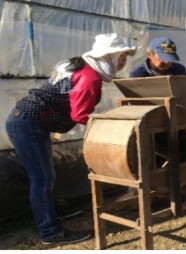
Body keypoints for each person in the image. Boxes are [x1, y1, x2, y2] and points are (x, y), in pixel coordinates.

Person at [5, 33, 136, 245]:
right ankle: (50, 232)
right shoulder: (90, 77)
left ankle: (51, 214)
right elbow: (80, 114)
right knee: (42, 179)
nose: (123, 62)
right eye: (121, 57)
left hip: (27, 120)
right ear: (107, 57)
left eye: (125, 58)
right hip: (28, 124)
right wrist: (109, 123)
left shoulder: (79, 65)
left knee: (45, 176)